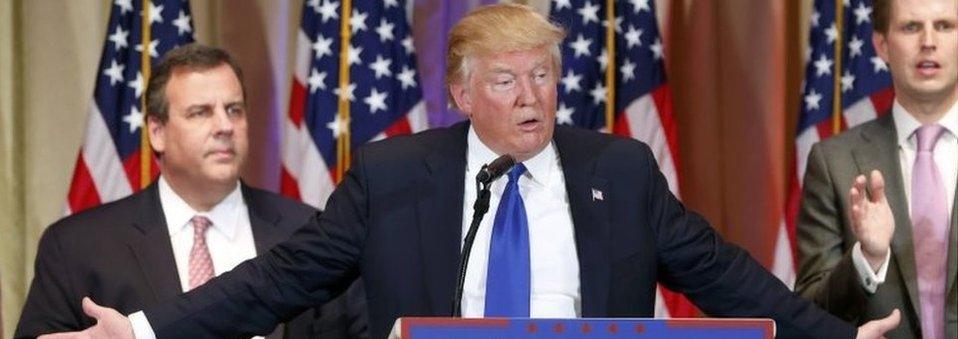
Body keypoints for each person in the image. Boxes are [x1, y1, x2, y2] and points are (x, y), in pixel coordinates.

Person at [38, 5, 900, 339]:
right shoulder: (392, 173)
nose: (532, 97)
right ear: (459, 92)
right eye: (505, 80)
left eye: (544, 76)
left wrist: (834, 337)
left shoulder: (621, 168)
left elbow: (723, 276)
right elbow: (279, 279)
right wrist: (147, 332)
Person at [15, 45, 368, 339]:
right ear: (156, 131)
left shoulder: (310, 230)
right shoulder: (78, 245)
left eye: (234, 110)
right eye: (201, 113)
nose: (225, 126)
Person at [795, 0, 958, 338]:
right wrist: (866, 258)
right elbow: (808, 314)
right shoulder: (832, 162)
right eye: (911, 27)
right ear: (882, 45)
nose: (928, 41)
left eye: (944, 26)